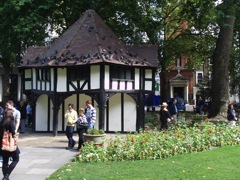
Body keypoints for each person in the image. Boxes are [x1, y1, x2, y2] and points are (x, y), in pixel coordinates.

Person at [0, 109, 20, 180]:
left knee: (5, 161)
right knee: (16, 159)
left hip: (2, 145)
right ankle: (6, 176)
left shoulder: (2, 122)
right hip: (10, 144)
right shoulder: (10, 122)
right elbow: (13, 133)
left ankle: (6, 177)